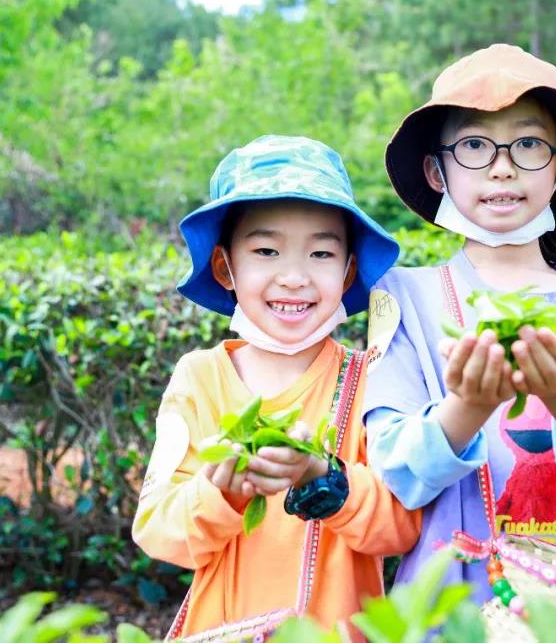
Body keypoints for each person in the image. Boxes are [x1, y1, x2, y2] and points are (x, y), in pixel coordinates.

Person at [363, 44, 556, 602]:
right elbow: (394, 474)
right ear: (436, 171)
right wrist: (468, 407)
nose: (502, 165)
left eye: (528, 143)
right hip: (450, 603)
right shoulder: (404, 299)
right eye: (474, 145)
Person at [132, 135, 420, 640]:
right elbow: (158, 530)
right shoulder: (199, 379)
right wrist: (222, 491)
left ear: (348, 270)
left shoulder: (371, 380)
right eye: (266, 250)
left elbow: (399, 525)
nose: (293, 277)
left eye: (321, 253)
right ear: (224, 267)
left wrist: (322, 477)